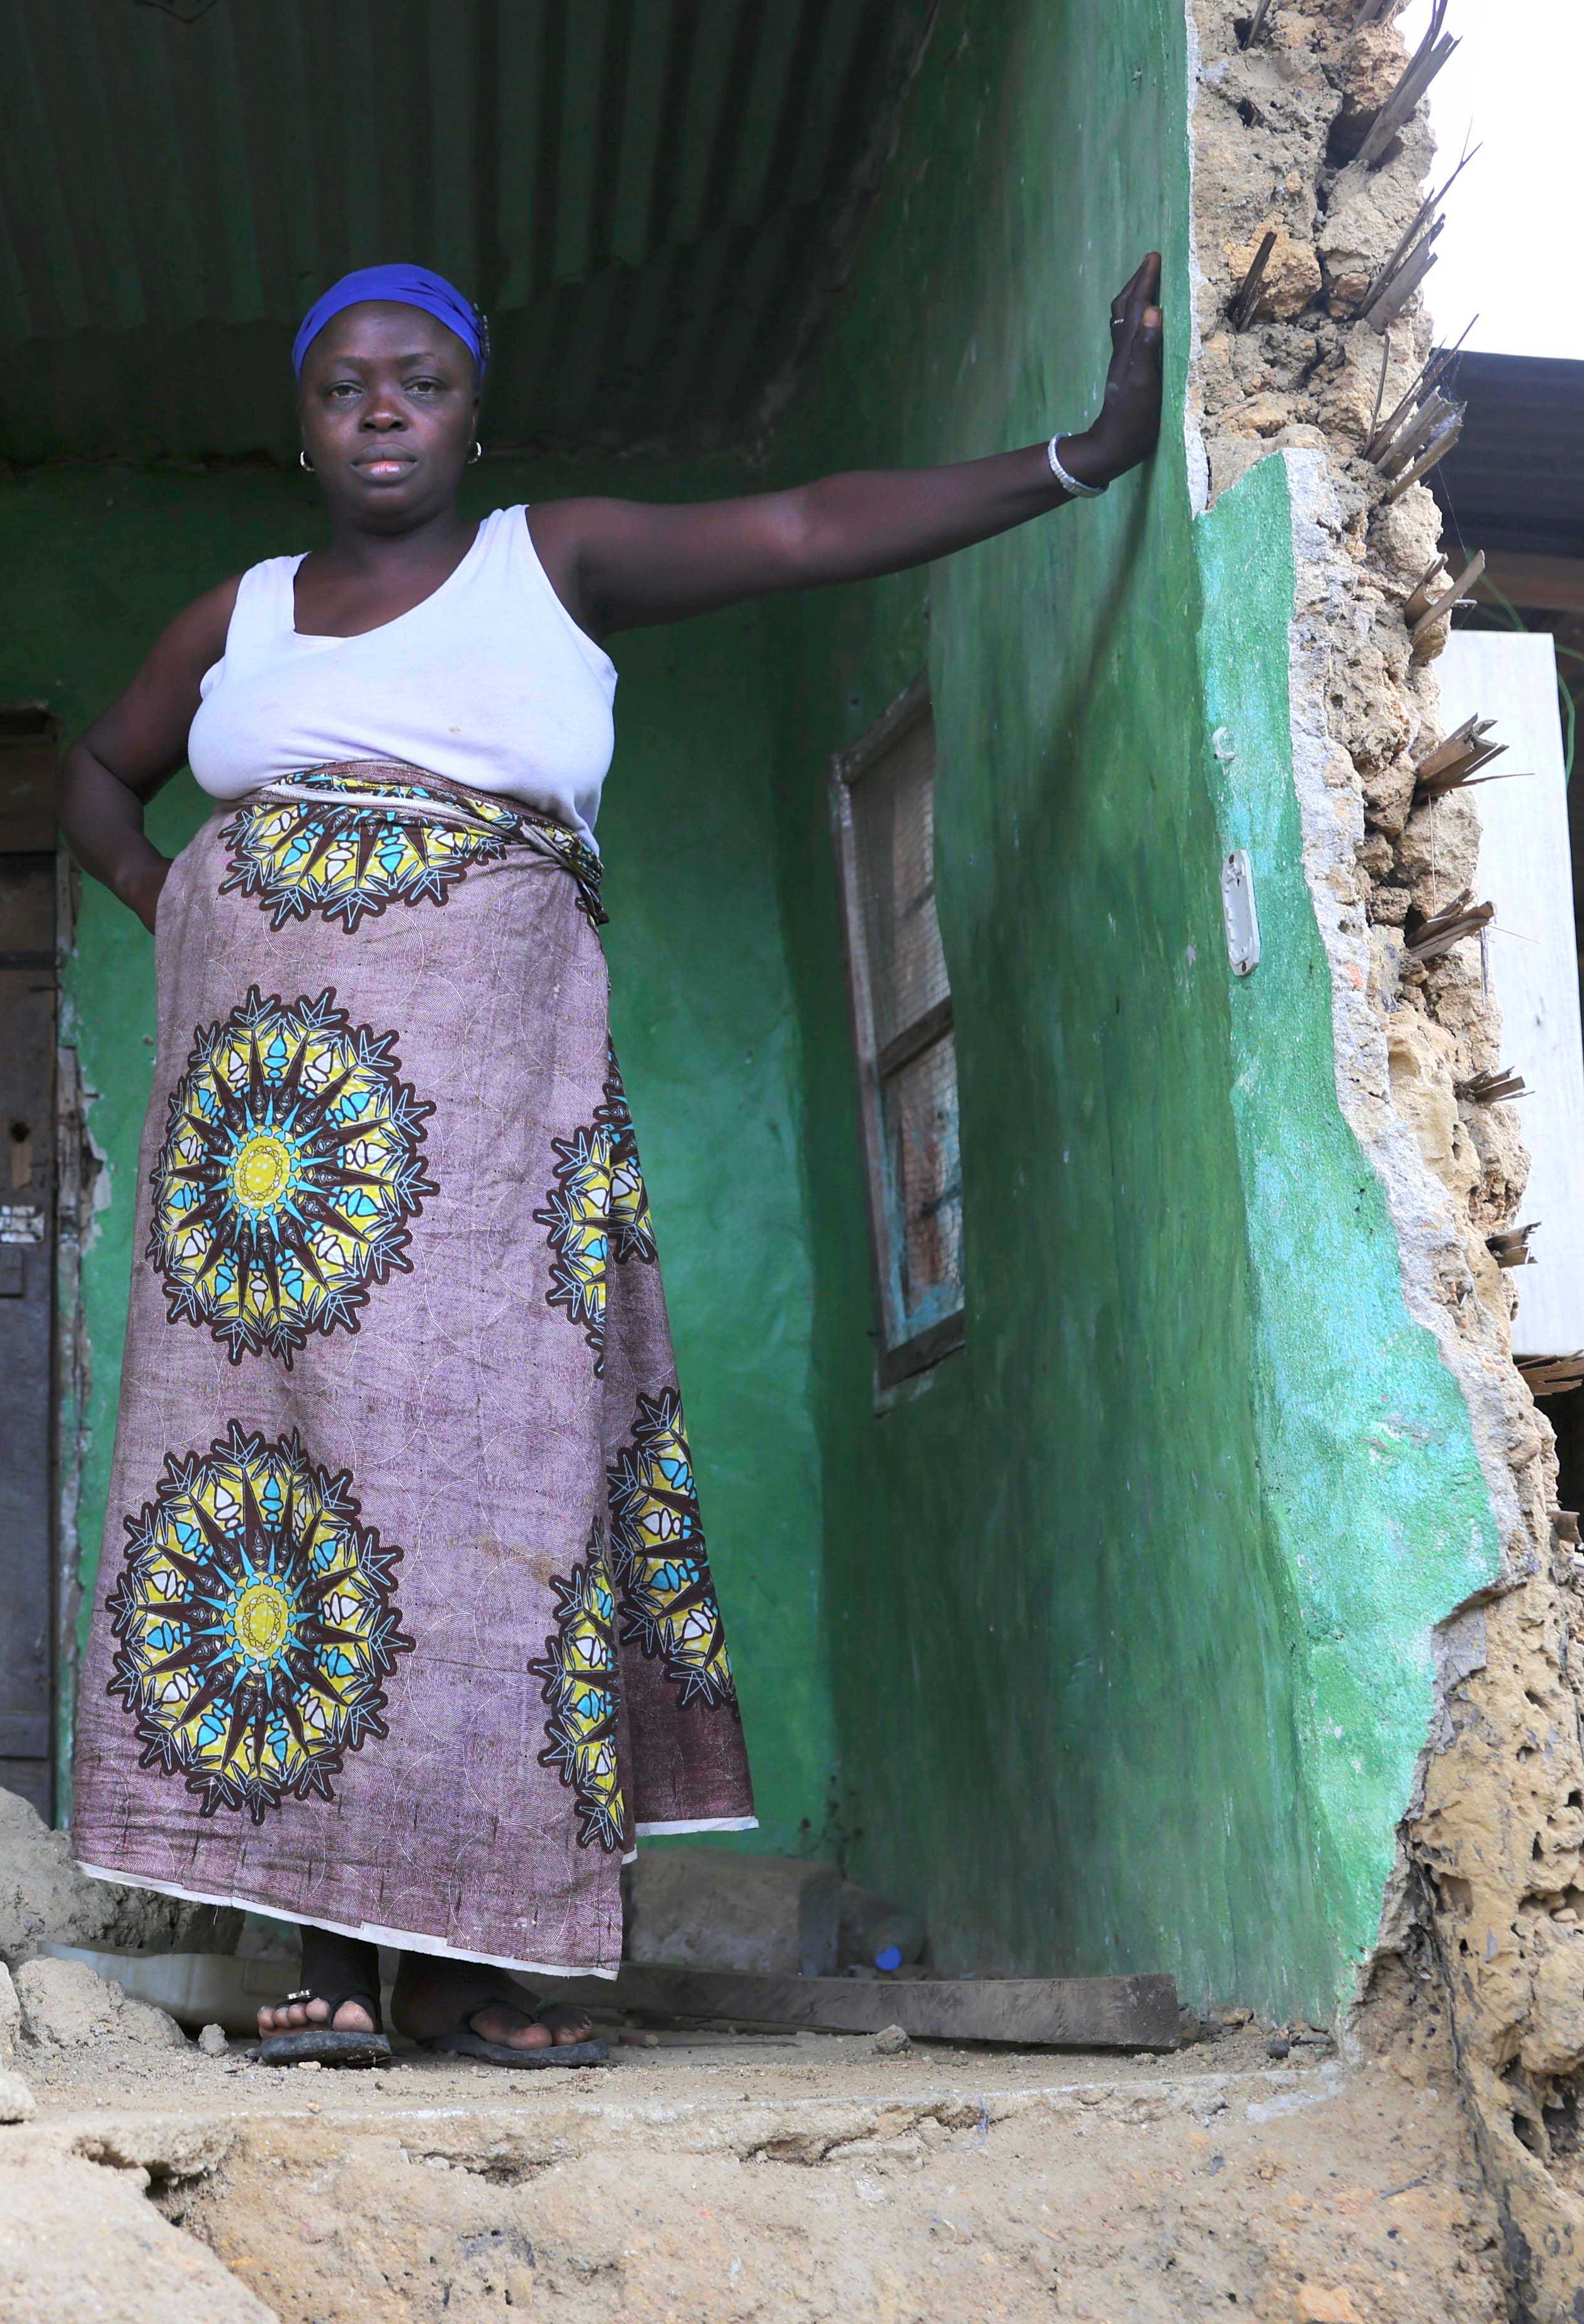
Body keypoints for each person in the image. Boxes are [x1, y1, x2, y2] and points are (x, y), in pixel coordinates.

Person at [58, 256, 1165, 2065]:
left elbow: (805, 526)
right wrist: (189, 910)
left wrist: (1081, 457)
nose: (384, 409)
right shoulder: (236, 617)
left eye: (421, 380)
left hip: (495, 1122)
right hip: (271, 1163)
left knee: (492, 1485)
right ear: (305, 426)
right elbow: (102, 781)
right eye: (345, 386)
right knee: (277, 1495)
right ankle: (319, 1953)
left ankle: (475, 1962)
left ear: (471, 412)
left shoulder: (548, 561)